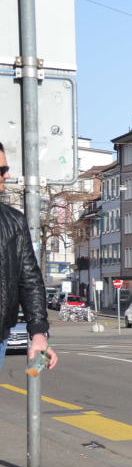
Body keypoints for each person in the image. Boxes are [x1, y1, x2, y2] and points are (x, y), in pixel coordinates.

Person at [0, 144, 57, 372]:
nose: (7, 175)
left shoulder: (13, 221)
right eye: (1, 170)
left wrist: (39, 333)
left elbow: (30, 281)